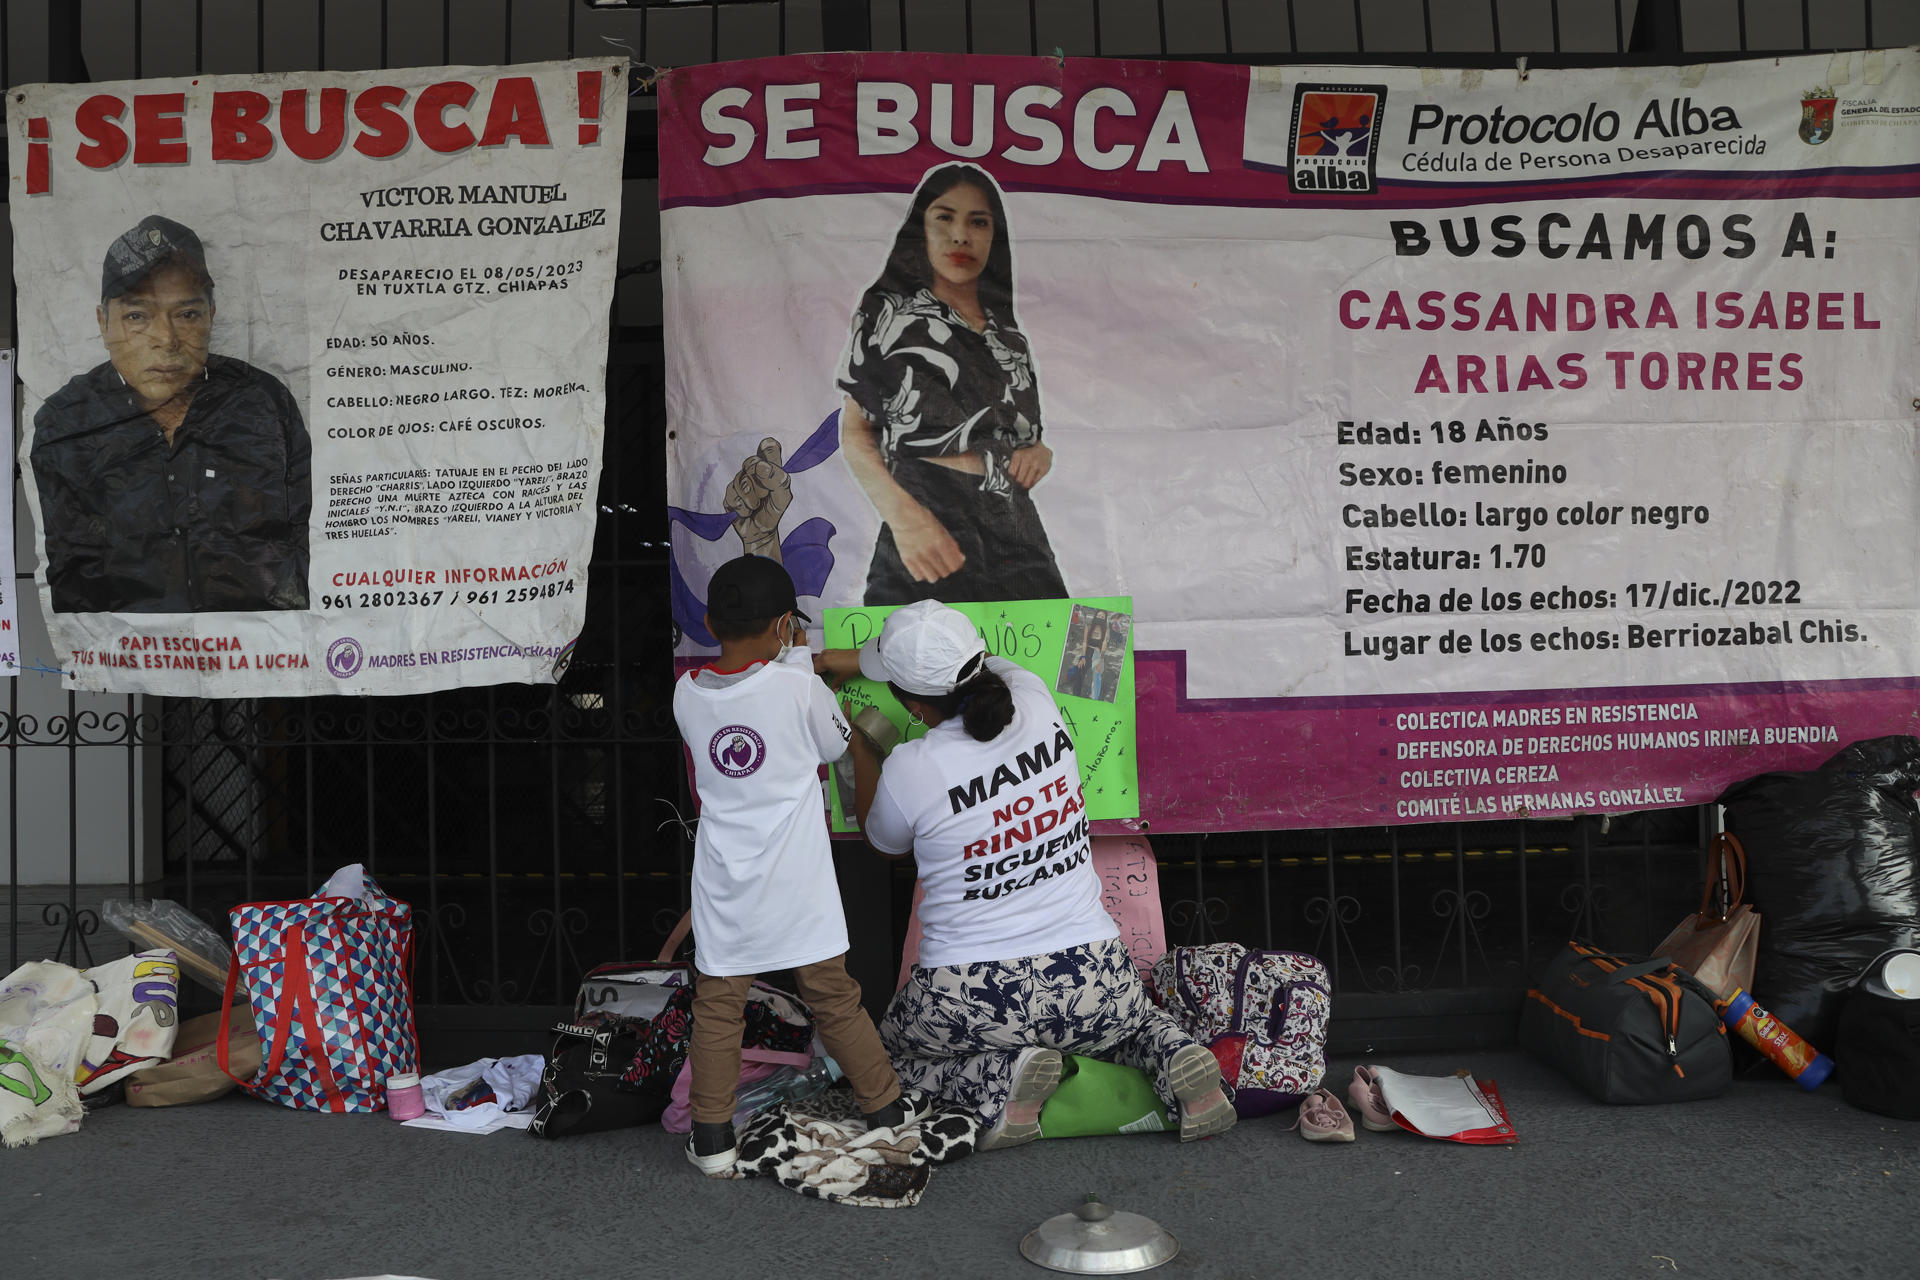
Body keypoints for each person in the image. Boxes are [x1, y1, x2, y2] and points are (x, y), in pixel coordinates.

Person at [823, 602, 1235, 1148]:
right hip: (1094, 973)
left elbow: (883, 844)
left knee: (881, 1064)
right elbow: (989, 666)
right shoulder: (1034, 696)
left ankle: (1005, 1078)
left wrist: (860, 747)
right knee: (1132, 1025)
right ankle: (1178, 1057)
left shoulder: (911, 766)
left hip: (967, 994)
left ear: (913, 707)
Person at [672, 554, 904, 1175]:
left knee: (719, 1005)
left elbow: (743, 696)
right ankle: (885, 1110)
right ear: (783, 626)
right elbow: (834, 743)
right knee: (833, 996)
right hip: (798, 882)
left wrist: (789, 661)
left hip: (726, 880)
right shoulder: (798, 684)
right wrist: (801, 662)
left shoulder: (686, 695)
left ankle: (714, 1141)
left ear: (709, 621)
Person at [30, 214, 310, 614]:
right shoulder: (68, 421)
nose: (166, 339)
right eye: (137, 316)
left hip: (255, 660)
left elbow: (302, 542)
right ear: (103, 322)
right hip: (133, 665)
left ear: (211, 315)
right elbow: (70, 575)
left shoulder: (264, 404)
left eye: (187, 314)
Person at [837, 164, 1066, 605]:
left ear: (993, 234)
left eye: (978, 222)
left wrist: (1038, 451)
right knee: (906, 663)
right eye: (945, 217)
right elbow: (855, 433)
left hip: (1012, 515)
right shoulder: (887, 315)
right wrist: (905, 519)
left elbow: (1016, 431)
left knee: (1072, 664)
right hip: (926, 505)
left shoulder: (1007, 335)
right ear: (921, 227)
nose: (961, 235)